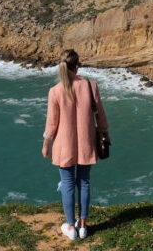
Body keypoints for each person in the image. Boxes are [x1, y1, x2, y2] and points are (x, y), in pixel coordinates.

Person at [41, 49, 109, 240]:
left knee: (68, 184)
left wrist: (46, 143)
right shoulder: (90, 86)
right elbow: (100, 115)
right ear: (77, 65)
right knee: (84, 182)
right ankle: (83, 225)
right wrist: (104, 131)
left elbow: (52, 123)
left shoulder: (55, 91)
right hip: (86, 142)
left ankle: (70, 227)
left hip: (64, 145)